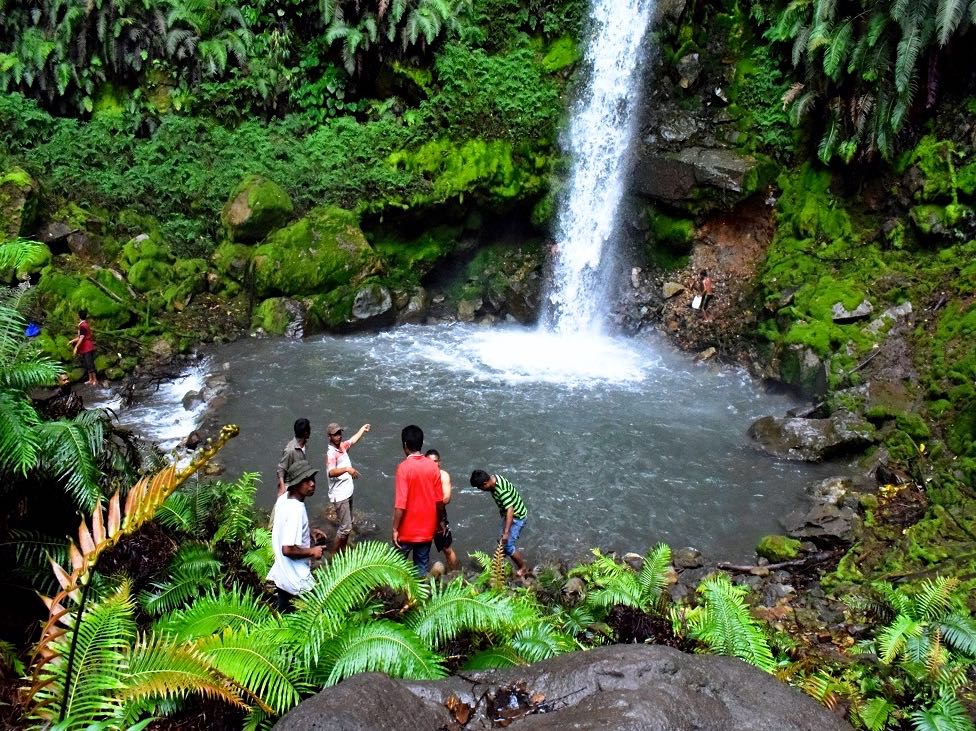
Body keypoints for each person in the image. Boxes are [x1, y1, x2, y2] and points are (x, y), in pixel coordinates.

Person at [267, 460, 325, 612]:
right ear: (296, 483)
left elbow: (285, 526)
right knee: (318, 612)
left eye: (313, 479)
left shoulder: (284, 499)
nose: (312, 484)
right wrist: (313, 551)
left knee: (283, 614)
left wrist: (307, 531)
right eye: (306, 480)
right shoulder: (296, 510)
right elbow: (287, 550)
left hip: (282, 575)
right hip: (296, 579)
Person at [393, 425, 446, 575]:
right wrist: (440, 521)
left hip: (406, 530)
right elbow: (439, 501)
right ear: (421, 444)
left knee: (397, 569)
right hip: (426, 529)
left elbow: (400, 504)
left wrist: (395, 529)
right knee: (421, 568)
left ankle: (401, 596)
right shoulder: (433, 467)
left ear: (405, 445)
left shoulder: (403, 468)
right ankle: (417, 598)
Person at [470, 469, 528, 578]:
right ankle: (499, 565)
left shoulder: (501, 491)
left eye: (480, 487)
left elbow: (510, 509)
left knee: (508, 545)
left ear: (485, 483)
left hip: (517, 517)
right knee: (501, 541)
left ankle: (523, 568)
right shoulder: (493, 479)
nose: (480, 490)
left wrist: (506, 532)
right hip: (508, 515)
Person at [326, 421, 370, 557]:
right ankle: (333, 556)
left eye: (339, 433)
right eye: (335, 434)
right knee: (345, 528)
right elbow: (331, 472)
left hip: (347, 492)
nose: (338, 436)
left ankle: (342, 552)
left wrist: (362, 430)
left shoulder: (343, 447)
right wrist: (347, 469)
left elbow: (352, 440)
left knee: (347, 526)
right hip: (340, 495)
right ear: (329, 437)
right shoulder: (331, 454)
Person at [426, 449, 460, 571]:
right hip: (423, 514)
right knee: (421, 546)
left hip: (439, 515)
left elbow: (446, 498)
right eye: (430, 462)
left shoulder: (443, 475)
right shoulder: (422, 476)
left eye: (435, 461)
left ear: (439, 462)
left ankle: (455, 574)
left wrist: (432, 500)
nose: (433, 464)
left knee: (447, 548)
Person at [276, 418, 311, 496]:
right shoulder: (290, 450)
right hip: (289, 488)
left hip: (298, 485)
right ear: (306, 433)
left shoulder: (304, 445)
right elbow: (280, 469)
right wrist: (282, 488)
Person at [68, 309, 97, 386]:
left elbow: (81, 338)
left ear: (78, 316)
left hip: (87, 347)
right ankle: (90, 379)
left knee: (90, 363)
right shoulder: (83, 324)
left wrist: (76, 347)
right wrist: (72, 341)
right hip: (85, 347)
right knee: (86, 364)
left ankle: (95, 379)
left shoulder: (83, 326)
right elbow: (79, 337)